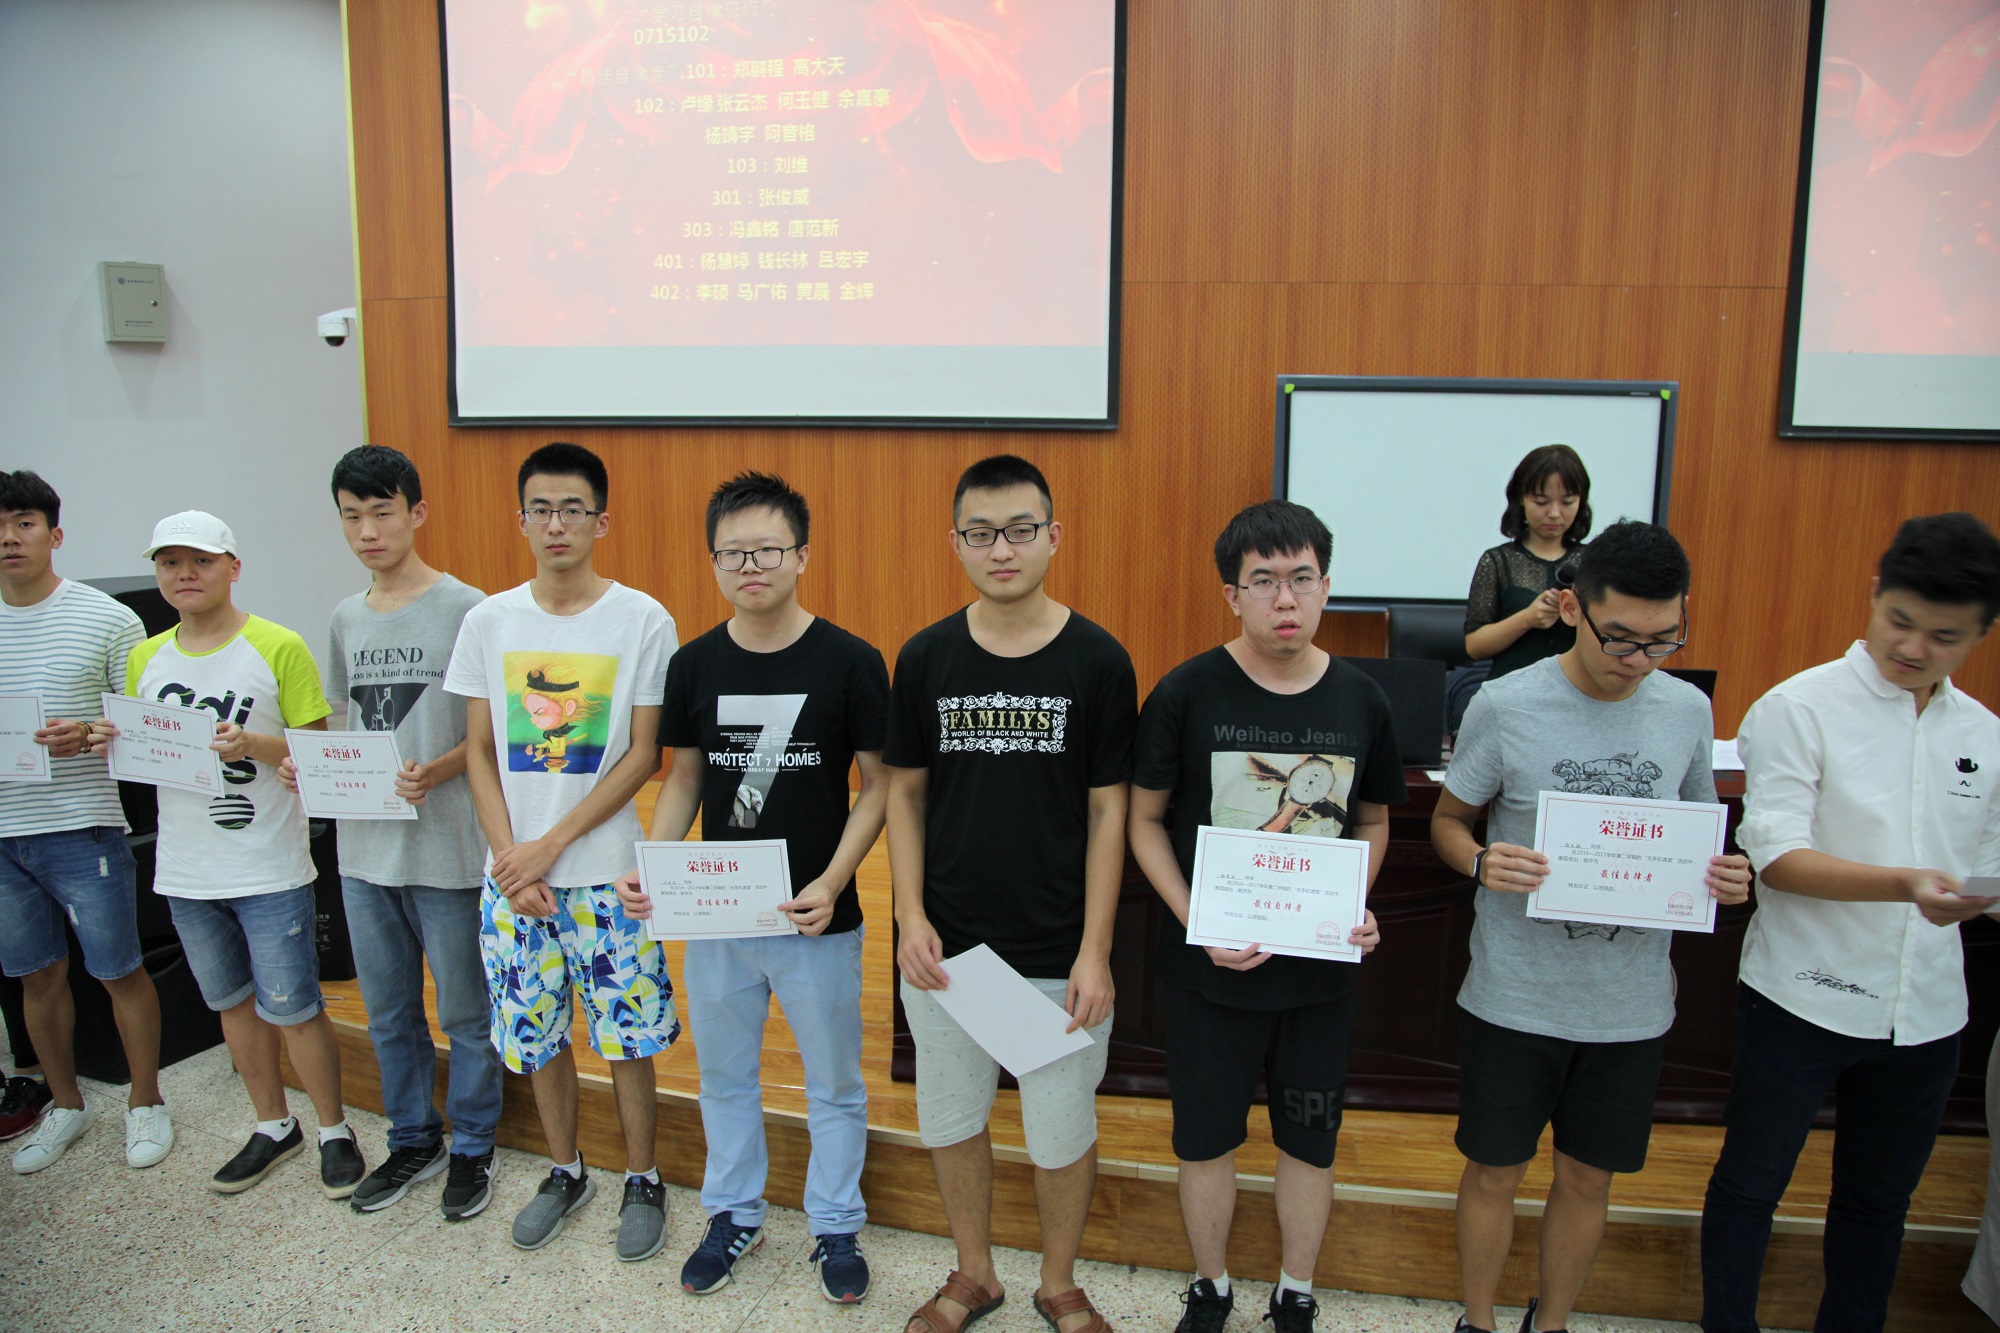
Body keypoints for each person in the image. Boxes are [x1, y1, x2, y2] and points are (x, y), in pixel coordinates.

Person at [1430, 520, 1752, 1333]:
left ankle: (1553, 1321)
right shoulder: (1506, 704)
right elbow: (1448, 821)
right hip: (1515, 994)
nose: (1638, 659)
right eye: (1621, 637)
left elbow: (1698, 836)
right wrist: (1480, 861)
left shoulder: (1686, 709)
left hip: (1628, 1003)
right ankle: (1478, 1318)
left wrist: (1723, 875)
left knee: (1588, 1178)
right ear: (1573, 607)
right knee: (1494, 1172)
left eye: (1662, 640)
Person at [1700, 513, 2000, 1333]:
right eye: (1900, 620)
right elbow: (1778, 857)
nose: (1914, 647)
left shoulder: (1984, 736)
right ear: (1874, 594)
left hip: (1926, 1010)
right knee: (1751, 1185)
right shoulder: (1800, 707)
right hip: (1800, 996)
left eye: (1944, 636)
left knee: (1877, 1205)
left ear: (1980, 634)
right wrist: (1907, 884)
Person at [1129, 499, 1403, 1333]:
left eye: (1302, 578)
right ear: (1232, 593)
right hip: (1208, 977)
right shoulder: (1184, 691)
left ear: (1326, 587)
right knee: (1204, 1139)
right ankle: (1210, 1285)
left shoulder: (1363, 698)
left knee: (1309, 1142)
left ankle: (1295, 1290)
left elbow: (1373, 821)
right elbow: (1144, 820)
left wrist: (1353, 900)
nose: (1286, 598)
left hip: (1317, 978)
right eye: (1264, 581)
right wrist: (1197, 919)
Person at [615, 472, 889, 1303]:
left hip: (817, 919)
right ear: (714, 562)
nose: (750, 566)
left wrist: (833, 880)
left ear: (801, 555)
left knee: (833, 1082)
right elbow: (684, 777)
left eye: (767, 549)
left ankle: (835, 1222)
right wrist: (655, 864)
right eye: (733, 553)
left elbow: (878, 785)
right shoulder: (694, 662)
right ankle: (734, 1212)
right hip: (720, 917)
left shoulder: (851, 661)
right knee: (725, 1076)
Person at [887, 454, 1136, 1333]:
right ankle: (976, 1272)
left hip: (1057, 948)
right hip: (948, 948)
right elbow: (904, 795)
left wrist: (1095, 950)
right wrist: (909, 916)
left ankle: (1058, 1280)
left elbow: (1110, 812)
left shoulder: (1099, 659)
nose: (1003, 549)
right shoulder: (926, 657)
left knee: (1061, 1129)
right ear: (956, 542)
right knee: (953, 1119)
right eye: (983, 533)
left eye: (1021, 530)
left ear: (1053, 536)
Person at [443, 442, 678, 1262]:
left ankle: (643, 1175)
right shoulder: (489, 621)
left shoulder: (642, 619)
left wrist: (550, 843)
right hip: (514, 882)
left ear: (601, 521)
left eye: (573, 508)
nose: (556, 524)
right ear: (521, 520)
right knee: (537, 1034)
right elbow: (478, 750)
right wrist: (511, 858)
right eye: (540, 508)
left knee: (628, 1038)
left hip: (605, 874)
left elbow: (645, 754)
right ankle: (565, 1169)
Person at [87, 510, 363, 1197]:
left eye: (201, 561)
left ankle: (333, 1129)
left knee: (294, 1005)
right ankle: (272, 1124)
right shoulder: (147, 656)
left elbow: (317, 752)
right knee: (232, 1004)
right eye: (169, 563)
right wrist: (109, 738)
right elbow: (144, 746)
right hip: (187, 867)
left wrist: (250, 745)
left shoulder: (277, 644)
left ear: (233, 567)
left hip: (268, 863)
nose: (184, 574)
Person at [276, 445, 503, 1220]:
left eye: (382, 512)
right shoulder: (345, 616)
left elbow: (491, 733)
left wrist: (436, 770)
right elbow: (345, 722)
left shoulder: (469, 607)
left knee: (466, 1013)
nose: (368, 530)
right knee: (388, 1012)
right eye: (352, 516)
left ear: (417, 512)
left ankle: (474, 1142)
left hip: (448, 848)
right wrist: (309, 767)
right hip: (364, 853)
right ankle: (413, 1136)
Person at [0, 470, 168, 1173]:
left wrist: (91, 733)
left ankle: (146, 1100)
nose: (10, 538)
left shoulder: (106, 618)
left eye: (24, 523)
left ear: (55, 533)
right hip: (4, 836)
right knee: (35, 977)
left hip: (82, 823)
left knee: (118, 970)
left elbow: (142, 725)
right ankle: (65, 1103)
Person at [1463, 445, 1593, 680]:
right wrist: (1528, 618)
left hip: (1578, 688)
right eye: (1541, 502)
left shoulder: (1593, 561)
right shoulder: (1497, 562)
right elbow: (1474, 646)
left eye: (1567, 502)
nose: (1554, 513)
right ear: (1522, 497)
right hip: (1511, 687)